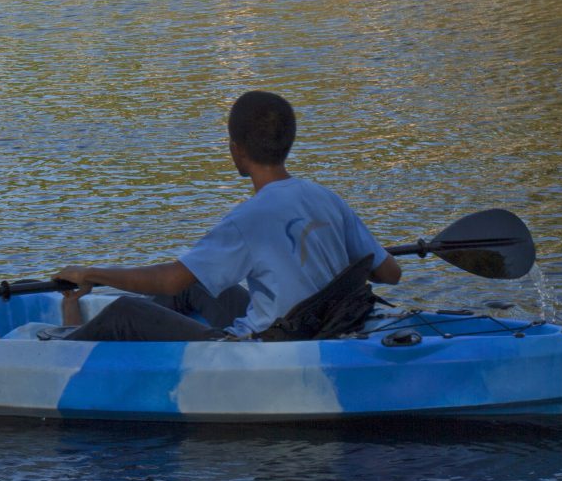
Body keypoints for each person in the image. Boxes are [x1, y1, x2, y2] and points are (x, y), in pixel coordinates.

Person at [51, 91, 401, 342]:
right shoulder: (327, 198)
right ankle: (139, 343)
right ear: (289, 143)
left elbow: (169, 280)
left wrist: (91, 273)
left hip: (267, 343)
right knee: (199, 286)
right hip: (322, 323)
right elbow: (390, 272)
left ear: (236, 150)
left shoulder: (248, 219)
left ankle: (62, 343)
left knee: (124, 311)